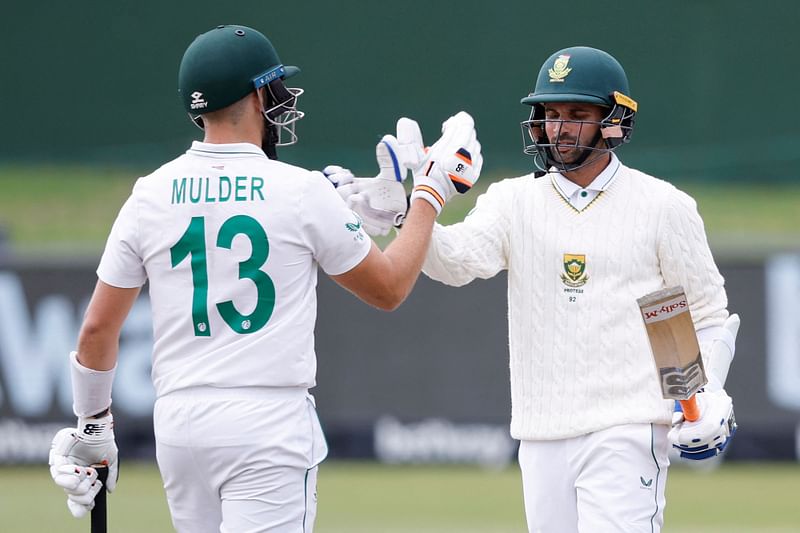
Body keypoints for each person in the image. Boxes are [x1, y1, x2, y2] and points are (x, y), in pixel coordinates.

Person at [47, 24, 482, 533]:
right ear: (258, 95)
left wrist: (93, 426)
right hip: (267, 420)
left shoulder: (149, 193)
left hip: (180, 425)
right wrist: (429, 193)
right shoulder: (298, 191)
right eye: (275, 89)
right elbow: (389, 288)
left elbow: (97, 330)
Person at [339, 46, 740, 532]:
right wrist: (405, 213)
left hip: (627, 429)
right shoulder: (514, 200)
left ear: (613, 120)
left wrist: (705, 393)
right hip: (540, 432)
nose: (560, 127)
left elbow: (700, 310)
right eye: (550, 114)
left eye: (577, 114)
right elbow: (458, 261)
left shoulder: (663, 206)